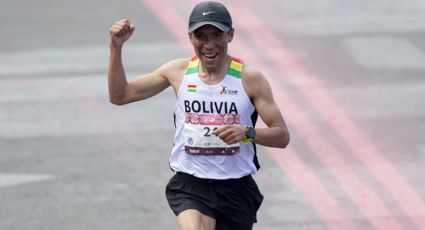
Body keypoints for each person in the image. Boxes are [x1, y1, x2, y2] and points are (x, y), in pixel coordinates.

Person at [108, 1, 290, 229]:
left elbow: (282, 136)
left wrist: (246, 132)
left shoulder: (249, 79)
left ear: (231, 35)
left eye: (217, 35)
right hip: (191, 184)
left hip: (236, 189)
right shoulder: (178, 72)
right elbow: (120, 95)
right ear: (190, 37)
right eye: (201, 36)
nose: (209, 45)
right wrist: (116, 47)